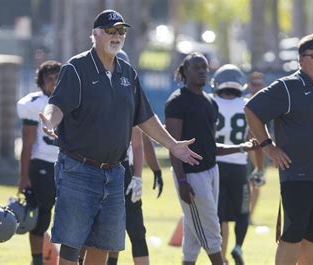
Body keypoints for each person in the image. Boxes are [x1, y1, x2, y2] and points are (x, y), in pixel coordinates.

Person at [39, 10, 201, 265]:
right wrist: (49, 120)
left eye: (121, 32)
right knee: (71, 245)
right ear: (95, 34)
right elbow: (56, 105)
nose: (117, 36)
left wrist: (173, 145)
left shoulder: (128, 72)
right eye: (111, 31)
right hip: (78, 169)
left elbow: (145, 118)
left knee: (102, 245)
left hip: (115, 173)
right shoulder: (76, 68)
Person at [244, 33, 313, 265]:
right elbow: (252, 110)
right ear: (301, 60)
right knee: (292, 236)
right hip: (299, 174)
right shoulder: (288, 86)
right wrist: (268, 147)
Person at [165, 52, 258, 265]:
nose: (202, 71)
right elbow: (174, 146)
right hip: (191, 173)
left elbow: (210, 146)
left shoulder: (210, 103)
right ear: (185, 72)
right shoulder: (177, 102)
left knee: (193, 229)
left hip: (211, 170)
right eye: (196, 67)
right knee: (210, 226)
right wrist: (181, 181)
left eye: (204, 67)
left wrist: (241, 147)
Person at [106, 50, 162, 265]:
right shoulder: (95, 92)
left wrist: (138, 177)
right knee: (101, 229)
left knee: (136, 229)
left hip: (123, 169)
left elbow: (138, 142)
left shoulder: (130, 95)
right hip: (98, 167)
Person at [16, 60, 62, 265]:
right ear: (41, 83)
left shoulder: (73, 100)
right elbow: (27, 143)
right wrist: (24, 176)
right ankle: (37, 261)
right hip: (42, 164)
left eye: (57, 78)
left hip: (69, 164)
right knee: (41, 216)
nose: (54, 83)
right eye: (49, 79)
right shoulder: (33, 103)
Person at [211, 64, 257, 265]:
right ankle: (238, 246)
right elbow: (253, 138)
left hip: (216, 165)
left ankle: (220, 257)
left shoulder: (210, 102)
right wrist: (259, 168)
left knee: (219, 216)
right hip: (239, 166)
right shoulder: (247, 104)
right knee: (243, 212)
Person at [245, 71, 266, 224]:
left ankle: (249, 216)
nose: (256, 87)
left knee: (256, 184)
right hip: (245, 151)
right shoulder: (244, 102)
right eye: (254, 84)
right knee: (245, 185)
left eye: (259, 84)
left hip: (259, 149)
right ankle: (243, 214)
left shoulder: (267, 103)